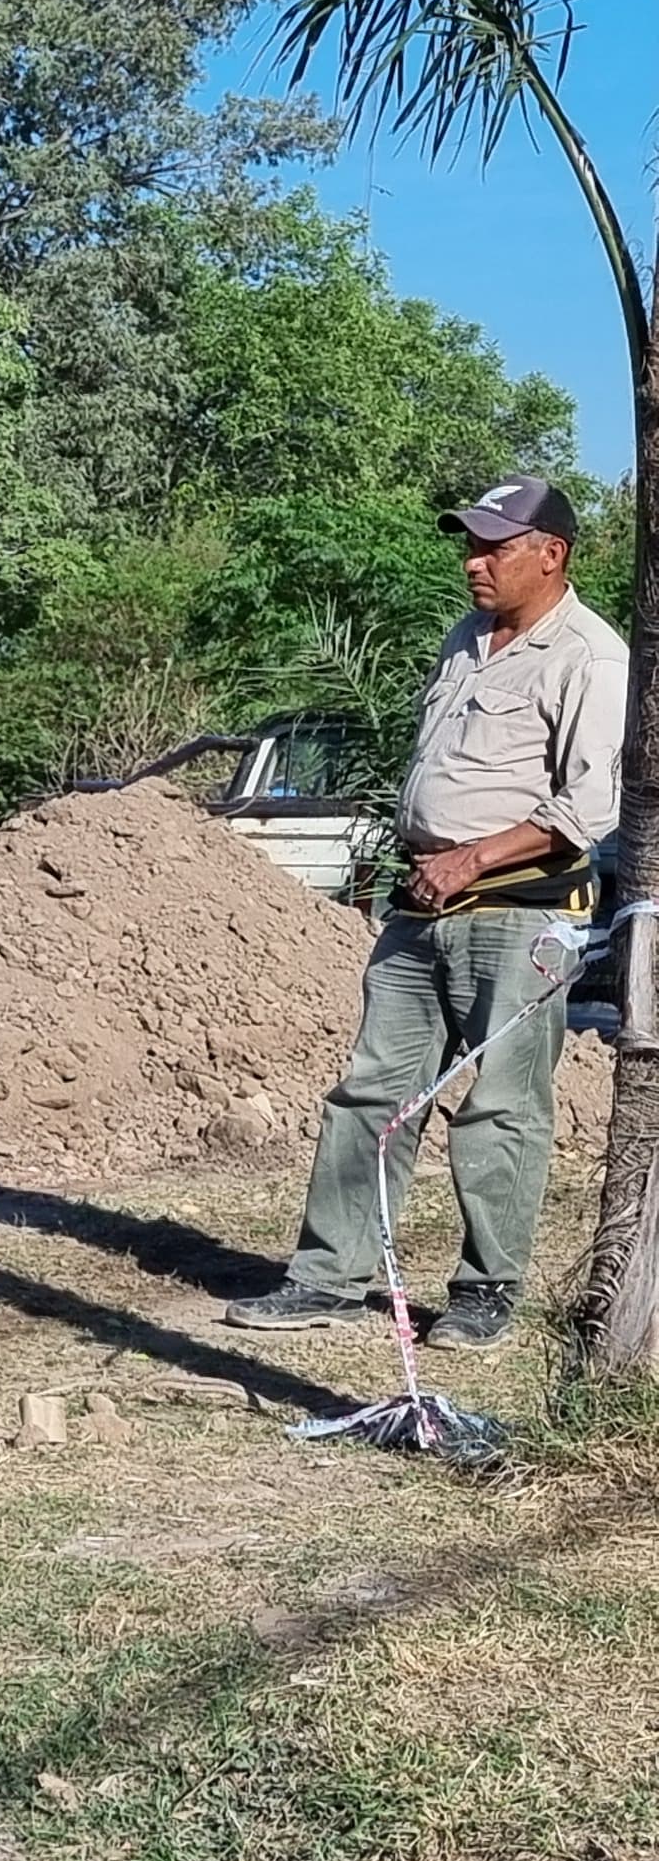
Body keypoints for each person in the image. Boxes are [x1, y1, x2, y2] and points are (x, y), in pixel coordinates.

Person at [223, 477, 623, 1354]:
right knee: (372, 1093)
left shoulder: (591, 656)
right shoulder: (466, 639)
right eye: (469, 546)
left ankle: (486, 1293)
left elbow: (589, 806)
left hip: (520, 915)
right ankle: (328, 1278)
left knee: (502, 1106)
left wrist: (470, 859)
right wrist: (424, 858)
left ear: (551, 554)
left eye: (493, 547)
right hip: (422, 903)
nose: (473, 563)